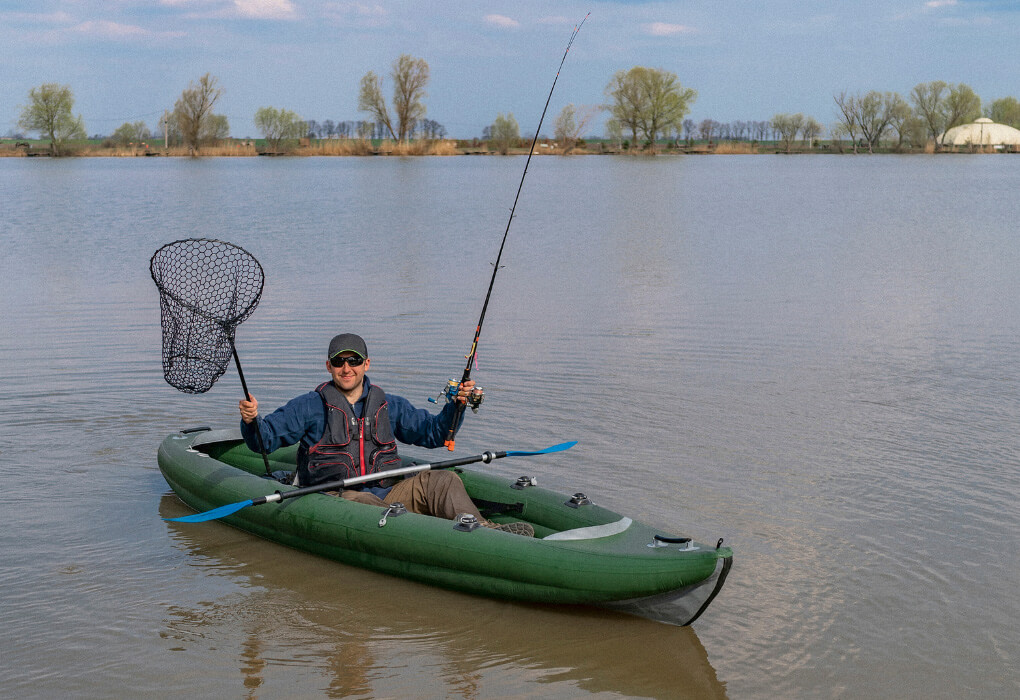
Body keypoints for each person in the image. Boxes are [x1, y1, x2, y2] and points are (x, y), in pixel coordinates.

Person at [239, 333, 534, 537]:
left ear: (366, 364)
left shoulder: (388, 404)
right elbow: (263, 441)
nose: (346, 368)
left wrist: (456, 406)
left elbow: (434, 434)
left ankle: (484, 533)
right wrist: (252, 420)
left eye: (354, 361)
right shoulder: (308, 406)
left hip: (389, 493)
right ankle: (423, 533)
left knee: (444, 480)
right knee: (367, 505)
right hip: (336, 498)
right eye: (339, 361)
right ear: (328, 366)